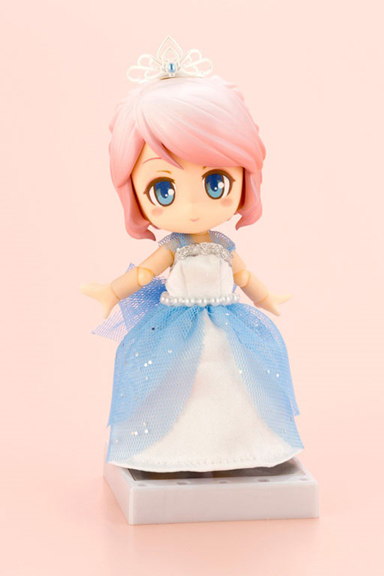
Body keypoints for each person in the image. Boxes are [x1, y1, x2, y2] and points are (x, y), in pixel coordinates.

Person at [80, 37, 303, 472]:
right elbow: (144, 275)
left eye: (215, 182)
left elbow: (243, 277)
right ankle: (174, 451)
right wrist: (112, 291)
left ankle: (237, 448)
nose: (193, 207)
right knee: (177, 383)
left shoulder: (223, 246)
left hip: (229, 325)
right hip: (175, 329)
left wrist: (266, 298)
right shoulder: (174, 248)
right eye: (164, 189)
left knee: (235, 381)